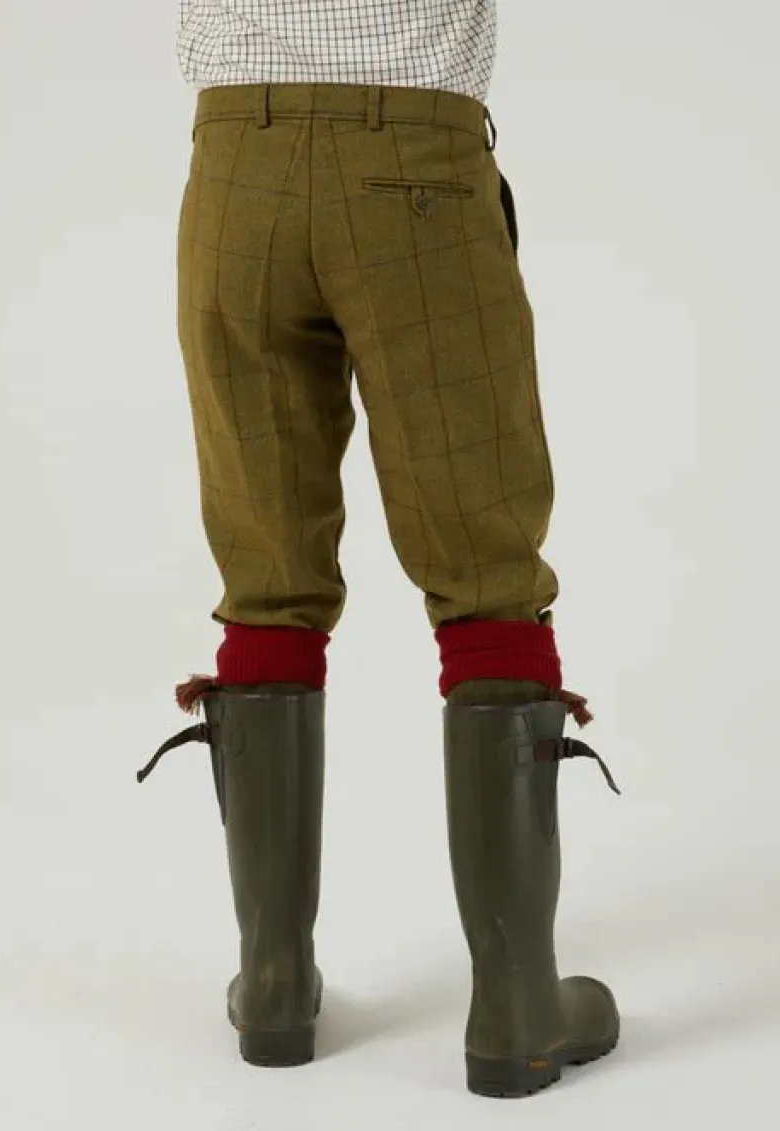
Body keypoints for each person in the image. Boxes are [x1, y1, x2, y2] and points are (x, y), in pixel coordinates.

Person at [138, 1, 621, 1099]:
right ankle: (515, 1007)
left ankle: (274, 983)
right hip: (415, 163)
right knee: (484, 565)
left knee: (265, 565)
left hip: (234, 171)